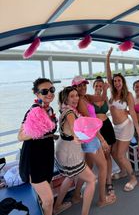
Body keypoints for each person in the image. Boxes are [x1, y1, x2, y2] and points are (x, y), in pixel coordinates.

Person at [72, 75, 116, 207]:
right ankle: (102, 199)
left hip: (89, 138)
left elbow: (102, 98)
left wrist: (106, 89)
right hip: (92, 138)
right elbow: (89, 123)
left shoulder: (86, 97)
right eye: (79, 85)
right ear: (74, 87)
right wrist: (102, 140)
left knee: (89, 166)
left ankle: (76, 195)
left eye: (84, 84)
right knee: (103, 167)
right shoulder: (80, 101)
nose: (83, 87)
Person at [18, 78, 57, 215]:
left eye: (52, 90)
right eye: (45, 91)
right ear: (37, 94)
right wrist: (38, 131)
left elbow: (49, 131)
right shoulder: (34, 111)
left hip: (47, 154)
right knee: (48, 200)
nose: (49, 93)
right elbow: (20, 136)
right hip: (34, 158)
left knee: (45, 196)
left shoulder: (50, 109)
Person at [54, 86, 95, 215]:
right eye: (72, 96)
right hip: (70, 153)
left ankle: (57, 207)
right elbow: (75, 132)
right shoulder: (71, 113)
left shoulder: (64, 109)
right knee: (92, 180)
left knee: (70, 176)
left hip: (62, 148)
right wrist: (83, 137)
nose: (76, 98)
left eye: (76, 95)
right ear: (66, 98)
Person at [106, 48, 139, 192]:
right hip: (115, 128)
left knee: (120, 154)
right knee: (114, 153)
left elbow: (132, 112)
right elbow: (108, 73)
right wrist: (108, 58)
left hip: (126, 126)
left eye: (119, 80)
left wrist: (138, 131)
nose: (116, 82)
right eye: (114, 81)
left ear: (123, 81)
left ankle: (133, 178)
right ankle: (122, 171)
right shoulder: (112, 92)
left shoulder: (128, 95)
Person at [93, 76, 116, 195]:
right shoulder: (89, 99)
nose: (98, 87)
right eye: (96, 85)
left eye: (100, 86)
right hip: (97, 129)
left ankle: (109, 181)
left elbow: (113, 107)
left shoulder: (105, 97)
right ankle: (101, 180)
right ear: (93, 87)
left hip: (107, 126)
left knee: (108, 155)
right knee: (101, 156)